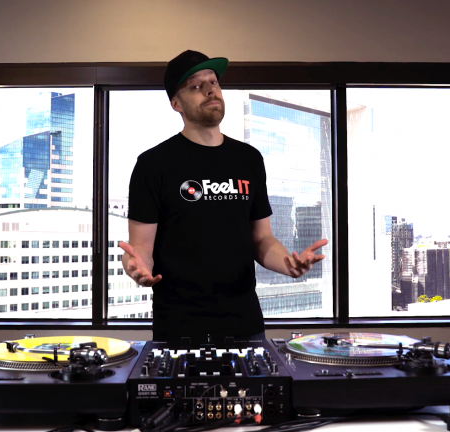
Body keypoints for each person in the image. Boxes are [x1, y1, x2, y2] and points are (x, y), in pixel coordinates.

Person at [120, 50, 327, 344]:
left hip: (245, 324)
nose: (209, 90)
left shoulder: (249, 159)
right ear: (176, 104)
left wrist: (288, 263)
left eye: (213, 82)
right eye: (196, 86)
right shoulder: (153, 164)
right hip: (179, 327)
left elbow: (261, 239)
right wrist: (136, 265)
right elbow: (141, 246)